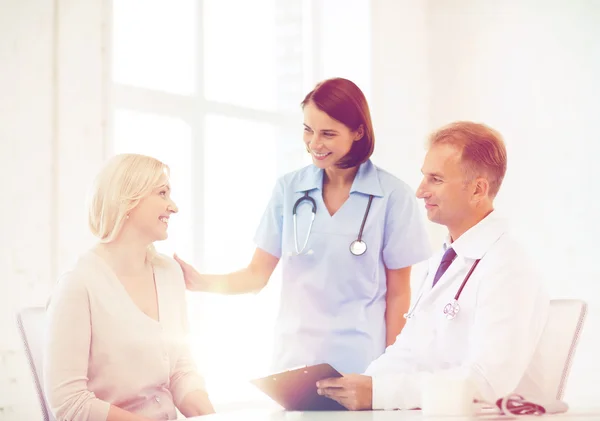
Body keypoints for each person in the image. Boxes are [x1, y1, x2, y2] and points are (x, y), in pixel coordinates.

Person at [174, 78, 431, 374]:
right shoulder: (289, 189)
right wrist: (201, 282)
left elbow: (399, 294)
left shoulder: (393, 196)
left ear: (358, 132)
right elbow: (256, 275)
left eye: (328, 134)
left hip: (361, 364)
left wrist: (390, 371)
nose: (314, 144)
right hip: (294, 364)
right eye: (308, 130)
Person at [316, 121, 550, 410]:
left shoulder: (508, 266)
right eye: (424, 177)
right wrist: (358, 387)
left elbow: (485, 383)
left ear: (478, 190)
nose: (420, 191)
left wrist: (381, 393)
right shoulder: (443, 259)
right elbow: (409, 351)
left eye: (435, 180)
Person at [43, 154, 215, 421]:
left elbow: (180, 370)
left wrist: (212, 418)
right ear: (127, 201)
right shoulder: (78, 284)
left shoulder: (169, 273)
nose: (174, 207)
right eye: (162, 193)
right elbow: (70, 404)